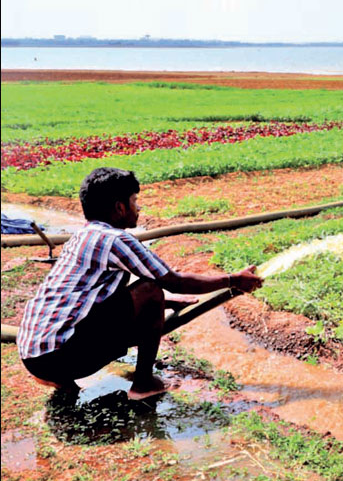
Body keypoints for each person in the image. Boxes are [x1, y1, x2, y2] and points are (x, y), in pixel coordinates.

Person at [17, 167, 263, 400]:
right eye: (135, 201)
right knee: (150, 290)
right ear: (119, 207)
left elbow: (95, 295)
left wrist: (167, 302)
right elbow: (174, 281)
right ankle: (144, 384)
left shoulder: (84, 234)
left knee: (147, 293)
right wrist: (233, 280)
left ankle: (60, 378)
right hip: (60, 357)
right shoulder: (115, 239)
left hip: (35, 359)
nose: (139, 207)